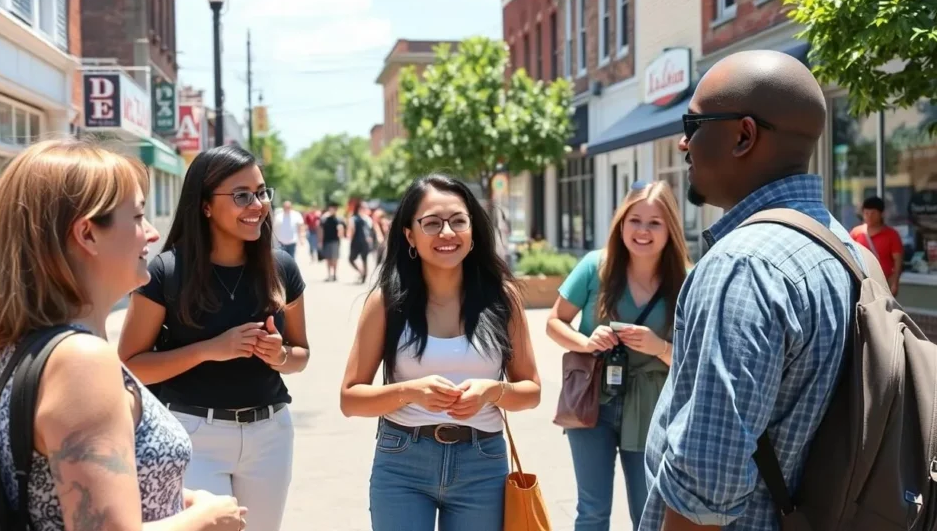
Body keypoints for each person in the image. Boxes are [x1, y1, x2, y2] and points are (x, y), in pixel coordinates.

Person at [0, 139, 246, 531]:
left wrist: (176, 497)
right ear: (87, 234)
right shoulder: (80, 361)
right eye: (138, 216)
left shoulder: (28, 346)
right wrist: (208, 518)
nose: (151, 234)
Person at [640, 50, 863, 531]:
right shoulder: (844, 247)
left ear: (743, 135)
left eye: (693, 124)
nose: (683, 142)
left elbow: (705, 493)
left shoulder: (744, 266)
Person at [119, 144, 309, 531]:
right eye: (241, 195)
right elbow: (132, 365)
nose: (257, 204)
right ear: (205, 205)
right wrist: (210, 350)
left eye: (261, 192)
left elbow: (301, 354)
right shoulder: (166, 271)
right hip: (193, 435)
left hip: (270, 434)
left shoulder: (281, 267)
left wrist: (279, 356)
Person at [340, 173, 541, 531]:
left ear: (473, 231)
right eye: (431, 223)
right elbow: (351, 398)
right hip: (402, 461)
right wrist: (409, 392)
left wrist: (491, 392)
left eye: (458, 221)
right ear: (409, 235)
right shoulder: (386, 301)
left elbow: (531, 391)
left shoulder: (502, 299)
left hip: (483, 461)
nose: (447, 233)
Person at [547, 181, 691, 531]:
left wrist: (658, 346)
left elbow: (694, 361)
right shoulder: (596, 266)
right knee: (593, 511)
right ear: (621, 224)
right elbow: (554, 323)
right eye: (634, 220)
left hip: (653, 407)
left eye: (654, 223)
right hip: (591, 401)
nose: (643, 231)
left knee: (649, 512)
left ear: (670, 227)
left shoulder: (688, 278)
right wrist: (586, 342)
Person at [850, 196, 903, 296]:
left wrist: (895, 282)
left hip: (883, 284)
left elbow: (898, 261)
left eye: (873, 213)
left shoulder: (892, 235)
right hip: (861, 283)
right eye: (866, 213)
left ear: (881, 214)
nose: (869, 216)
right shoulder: (856, 233)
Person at [318, 202, 345, 281]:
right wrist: (320, 241)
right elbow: (321, 229)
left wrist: (341, 233)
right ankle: (329, 274)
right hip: (327, 240)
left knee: (335, 258)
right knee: (328, 258)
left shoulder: (339, 219)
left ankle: (335, 274)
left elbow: (342, 229)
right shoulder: (324, 218)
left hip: (335, 241)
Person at [348, 202, 373, 283]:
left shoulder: (366, 219)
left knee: (360, 259)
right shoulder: (358, 219)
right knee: (357, 259)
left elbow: (352, 230)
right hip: (361, 241)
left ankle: (363, 274)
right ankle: (362, 273)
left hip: (359, 241)